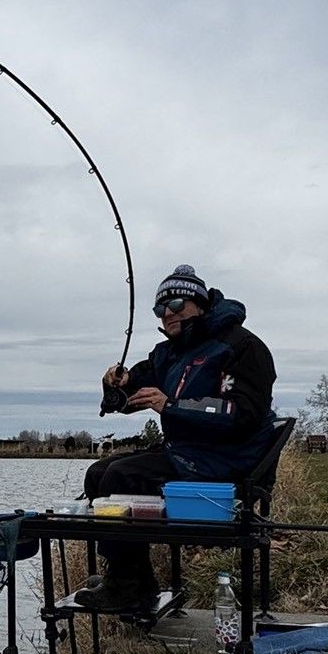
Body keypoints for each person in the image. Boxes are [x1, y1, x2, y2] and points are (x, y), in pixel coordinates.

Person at [74, 263, 277, 613]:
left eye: (176, 305)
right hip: (188, 453)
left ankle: (128, 588)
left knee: (122, 477)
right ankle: (129, 577)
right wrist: (115, 385)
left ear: (199, 304)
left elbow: (241, 414)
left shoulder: (241, 346)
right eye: (160, 309)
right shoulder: (169, 352)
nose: (167, 314)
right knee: (97, 473)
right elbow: (130, 395)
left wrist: (172, 406)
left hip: (227, 460)